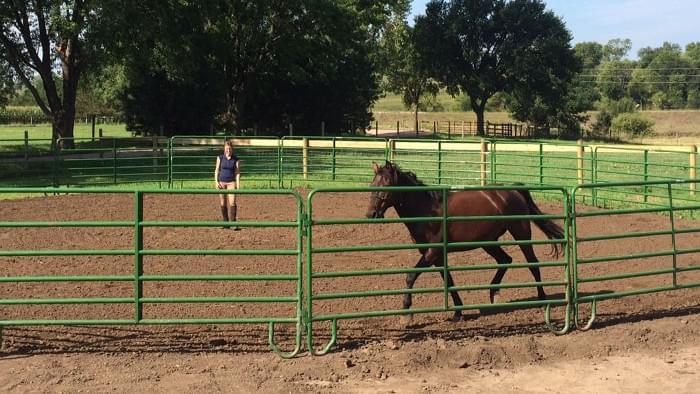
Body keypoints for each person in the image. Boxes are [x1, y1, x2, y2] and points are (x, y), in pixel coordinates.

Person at [214, 140, 241, 230]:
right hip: (222, 182)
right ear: (224, 149)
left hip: (231, 182)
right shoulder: (220, 158)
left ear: (232, 149)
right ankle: (225, 222)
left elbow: (237, 173)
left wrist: (238, 184)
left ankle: (233, 222)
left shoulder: (236, 159)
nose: (228, 151)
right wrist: (216, 182)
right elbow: (217, 170)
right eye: (226, 149)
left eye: (229, 149)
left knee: (232, 202)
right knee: (223, 202)